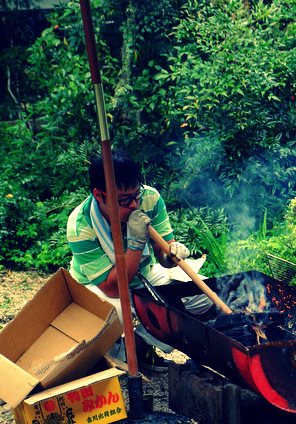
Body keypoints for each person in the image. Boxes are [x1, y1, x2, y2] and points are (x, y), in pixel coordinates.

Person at [67, 150, 213, 371]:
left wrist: (172, 255)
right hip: (98, 287)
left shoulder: (150, 198)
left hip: (144, 273)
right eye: (124, 200)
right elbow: (114, 289)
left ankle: (158, 346)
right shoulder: (80, 225)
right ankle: (128, 351)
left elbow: (163, 258)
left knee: (203, 296)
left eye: (136, 195)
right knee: (117, 314)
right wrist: (135, 243)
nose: (134, 205)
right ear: (99, 195)